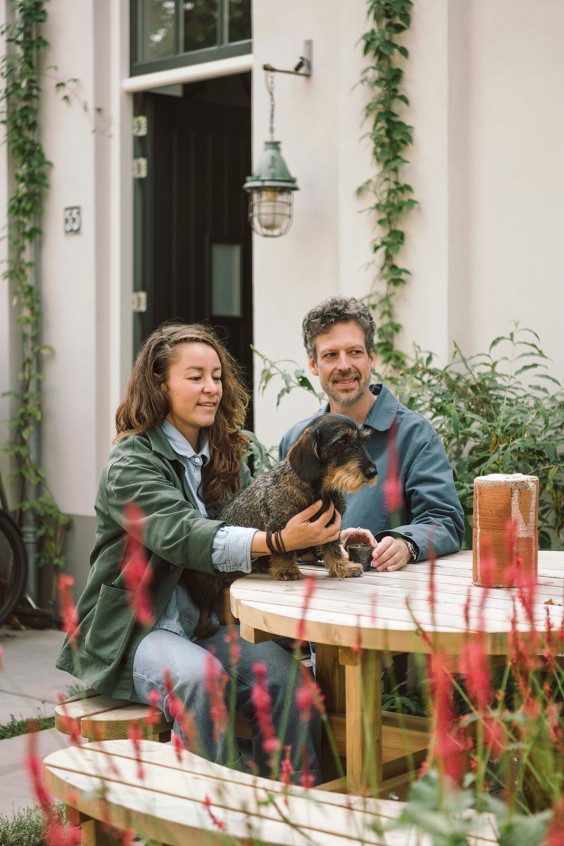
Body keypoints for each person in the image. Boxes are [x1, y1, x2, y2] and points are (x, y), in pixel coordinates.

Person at [57, 322, 340, 783]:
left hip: (200, 625)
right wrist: (279, 541)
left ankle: (291, 805)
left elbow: (261, 523)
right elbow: (182, 535)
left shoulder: (225, 452)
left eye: (217, 376)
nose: (211, 388)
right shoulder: (131, 462)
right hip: (134, 633)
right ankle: (216, 818)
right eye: (195, 377)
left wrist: (328, 539)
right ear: (158, 381)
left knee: (287, 679)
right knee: (199, 678)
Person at [279, 296, 465, 571]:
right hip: (309, 595)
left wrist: (405, 543)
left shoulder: (415, 435)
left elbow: (445, 521)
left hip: (388, 599)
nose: (344, 365)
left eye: (354, 352)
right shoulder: (297, 440)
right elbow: (281, 527)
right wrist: (315, 548)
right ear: (314, 365)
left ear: (371, 358)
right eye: (330, 355)